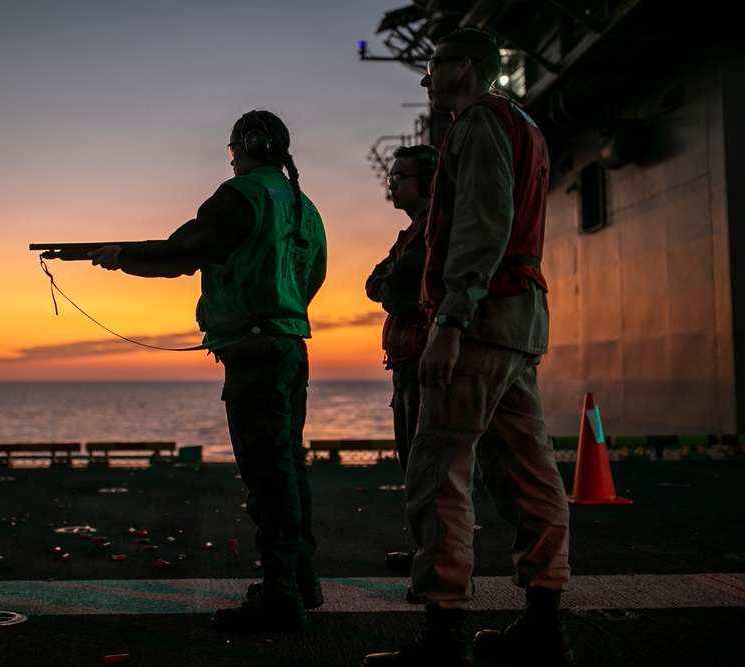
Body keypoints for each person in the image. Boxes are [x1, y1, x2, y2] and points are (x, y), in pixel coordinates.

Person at [363, 28, 573, 667]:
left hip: (478, 321)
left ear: (470, 66)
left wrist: (450, 321)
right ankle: (542, 629)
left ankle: (443, 638)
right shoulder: (526, 127)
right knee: (530, 474)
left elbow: (483, 224)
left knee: (438, 472)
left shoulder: (478, 123)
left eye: (433, 66)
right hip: (519, 321)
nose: (425, 81)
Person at [89, 109, 328, 633]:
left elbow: (184, 251)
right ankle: (299, 581)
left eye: (232, 148)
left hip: (255, 351)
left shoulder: (241, 194)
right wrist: (279, 309)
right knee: (289, 466)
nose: (232, 157)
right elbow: (314, 274)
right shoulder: (303, 205)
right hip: (289, 344)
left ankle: (282, 597)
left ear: (250, 144)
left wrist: (121, 256)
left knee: (267, 474)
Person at [365, 144, 438, 576]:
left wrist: (391, 287)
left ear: (428, 180)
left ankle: (437, 557)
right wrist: (391, 285)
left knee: (427, 465)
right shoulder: (408, 237)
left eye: (399, 178)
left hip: (425, 362)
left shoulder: (432, 232)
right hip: (406, 363)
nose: (391, 185)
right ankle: (426, 550)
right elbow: (375, 283)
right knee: (413, 463)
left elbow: (392, 288)